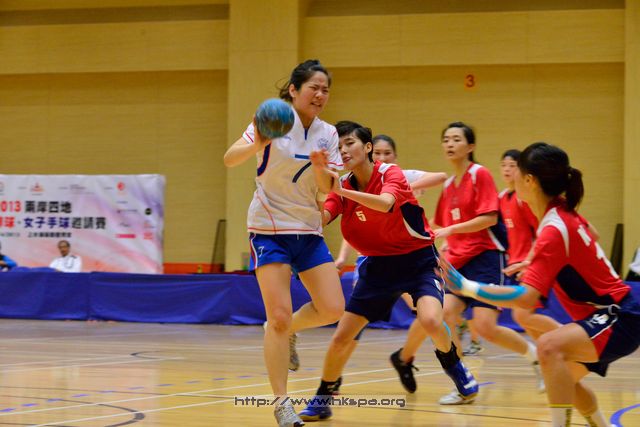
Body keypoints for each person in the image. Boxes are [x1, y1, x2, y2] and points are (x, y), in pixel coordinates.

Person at [439, 142, 640, 427]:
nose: (512, 175)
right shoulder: (561, 212)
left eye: (517, 171)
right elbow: (581, 243)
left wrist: (465, 286)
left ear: (530, 180)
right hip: (613, 313)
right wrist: (536, 261)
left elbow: (527, 297)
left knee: (547, 346)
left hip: (620, 315)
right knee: (563, 377)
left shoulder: (553, 227)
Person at [298, 121, 477, 421]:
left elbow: (385, 204)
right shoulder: (341, 186)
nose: (344, 150)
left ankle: (455, 367)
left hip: (417, 260)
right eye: (339, 146)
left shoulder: (390, 173)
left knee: (431, 319)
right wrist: (313, 184)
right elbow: (321, 218)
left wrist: (340, 190)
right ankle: (323, 397)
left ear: (368, 147)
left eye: (350, 143)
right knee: (342, 337)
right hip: (378, 266)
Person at [223, 59, 345, 427]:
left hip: (308, 230)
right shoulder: (271, 121)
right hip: (268, 229)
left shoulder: (328, 133)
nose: (320, 94)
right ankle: (282, 403)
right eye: (313, 88)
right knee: (277, 317)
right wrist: (258, 141)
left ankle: (289, 329)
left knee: (333, 309)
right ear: (294, 90)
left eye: (325, 89)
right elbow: (230, 159)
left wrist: (322, 168)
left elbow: (328, 189)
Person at [430, 122, 542, 405]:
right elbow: (440, 224)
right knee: (444, 314)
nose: (450, 143)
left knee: (485, 327)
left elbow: (489, 219)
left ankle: (535, 356)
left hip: (486, 258)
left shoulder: (479, 174)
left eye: (457, 139)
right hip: (459, 261)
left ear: (470, 146)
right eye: (446, 139)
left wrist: (451, 231)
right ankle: (463, 382)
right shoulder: (447, 185)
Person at [332, 134, 447, 394]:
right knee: (356, 322)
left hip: (406, 258)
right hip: (373, 260)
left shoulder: (397, 176)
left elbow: (441, 177)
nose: (382, 157)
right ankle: (334, 376)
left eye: (388, 153)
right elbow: (350, 228)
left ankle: (405, 357)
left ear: (394, 156)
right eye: (379, 153)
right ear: (370, 152)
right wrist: (341, 258)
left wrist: (407, 188)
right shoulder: (354, 182)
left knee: (429, 314)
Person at [499, 149, 561, 384]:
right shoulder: (502, 198)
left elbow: (541, 233)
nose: (507, 170)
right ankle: (549, 362)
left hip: (531, 265)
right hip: (514, 264)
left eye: (512, 165)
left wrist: (531, 261)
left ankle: (568, 337)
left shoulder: (523, 200)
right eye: (503, 165)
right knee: (524, 318)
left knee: (521, 314)